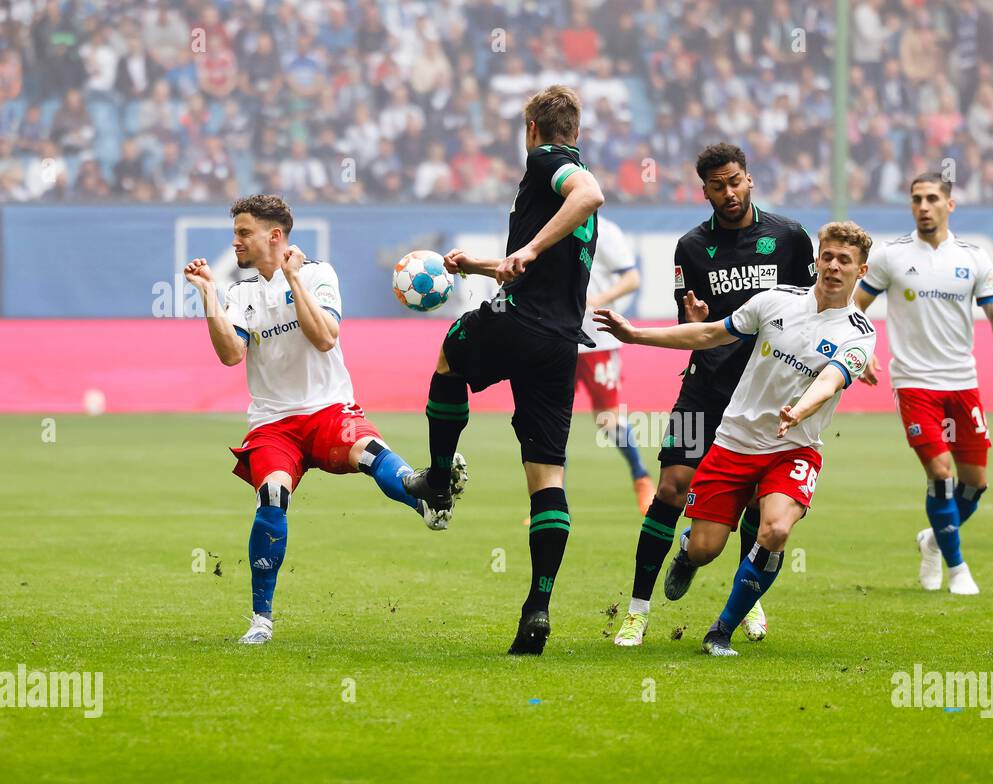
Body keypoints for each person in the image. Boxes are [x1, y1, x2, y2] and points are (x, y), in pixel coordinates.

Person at [596, 222, 876, 656]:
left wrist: (799, 411)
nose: (834, 267)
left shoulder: (860, 332)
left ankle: (721, 630)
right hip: (734, 441)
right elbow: (709, 333)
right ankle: (688, 553)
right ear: (817, 259)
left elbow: (831, 379)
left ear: (862, 271)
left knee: (777, 528)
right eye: (828, 257)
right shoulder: (773, 301)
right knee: (707, 547)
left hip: (794, 447)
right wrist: (636, 335)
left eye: (845, 261)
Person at [402, 86, 605, 656]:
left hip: (519, 322)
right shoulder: (569, 172)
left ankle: (439, 481)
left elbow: (590, 195)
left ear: (533, 131)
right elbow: (535, 262)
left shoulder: (550, 164)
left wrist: (529, 249)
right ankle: (538, 606)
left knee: (448, 357)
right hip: (561, 343)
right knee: (546, 476)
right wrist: (485, 264)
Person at [183, 195, 436, 645]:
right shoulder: (241, 293)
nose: (235, 241)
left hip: (328, 410)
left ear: (274, 236)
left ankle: (425, 498)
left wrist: (293, 278)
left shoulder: (318, 274)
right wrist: (208, 295)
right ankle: (261, 620)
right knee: (273, 494)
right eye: (236, 232)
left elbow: (323, 339)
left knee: (369, 451)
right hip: (273, 424)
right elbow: (229, 355)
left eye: (244, 232)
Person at [610, 143, 815, 648]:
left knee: (754, 501)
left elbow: (812, 313)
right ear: (704, 190)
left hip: (765, 394)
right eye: (718, 186)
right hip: (706, 387)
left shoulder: (788, 238)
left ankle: (748, 600)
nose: (729, 193)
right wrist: (695, 323)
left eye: (736, 181)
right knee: (671, 489)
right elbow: (690, 325)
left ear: (750, 180)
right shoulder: (690, 247)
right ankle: (637, 611)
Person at [853, 173, 993, 595]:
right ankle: (957, 568)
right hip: (913, 383)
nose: (924, 206)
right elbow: (854, 306)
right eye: (916, 199)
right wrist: (861, 350)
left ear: (950, 205)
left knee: (976, 483)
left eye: (932, 198)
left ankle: (933, 539)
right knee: (940, 471)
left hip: (962, 383)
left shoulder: (974, 257)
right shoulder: (891, 256)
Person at [575, 215, 652, 512]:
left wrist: (599, 299)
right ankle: (549, 504)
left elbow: (632, 278)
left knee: (607, 418)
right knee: (552, 421)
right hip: (556, 336)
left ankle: (641, 477)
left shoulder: (605, 231)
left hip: (598, 338)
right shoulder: (547, 225)